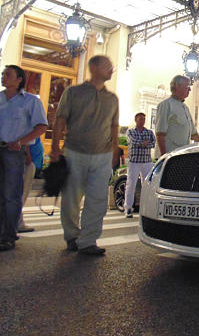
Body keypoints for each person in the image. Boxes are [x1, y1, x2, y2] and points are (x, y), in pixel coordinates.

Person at [51, 55, 119, 256]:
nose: (111, 69)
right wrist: (55, 147)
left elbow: (114, 125)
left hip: (102, 154)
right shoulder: (73, 92)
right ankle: (72, 236)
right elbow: (60, 119)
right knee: (71, 197)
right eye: (107, 66)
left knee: (97, 199)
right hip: (75, 151)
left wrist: (115, 149)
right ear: (93, 68)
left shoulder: (112, 98)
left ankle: (88, 241)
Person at [0, 65, 47, 251]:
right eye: (3, 74)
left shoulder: (30, 101)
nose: (4, 77)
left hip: (13, 151)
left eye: (8, 75)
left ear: (19, 79)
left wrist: (21, 142)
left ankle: (8, 235)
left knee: (11, 195)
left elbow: (41, 126)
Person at [155, 75, 199, 156]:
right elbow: (160, 134)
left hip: (182, 155)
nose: (189, 89)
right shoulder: (166, 105)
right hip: (170, 156)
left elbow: (194, 135)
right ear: (177, 86)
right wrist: (164, 157)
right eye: (187, 86)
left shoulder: (185, 108)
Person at [124, 112, 155, 218]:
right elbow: (132, 141)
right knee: (131, 184)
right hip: (134, 161)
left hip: (147, 161)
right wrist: (143, 143)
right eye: (140, 119)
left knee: (146, 185)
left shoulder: (149, 132)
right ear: (136, 120)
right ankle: (128, 208)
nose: (142, 121)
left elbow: (153, 143)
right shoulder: (131, 131)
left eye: (144, 119)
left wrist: (142, 143)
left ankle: (146, 208)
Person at [17, 137, 44, 233]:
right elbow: (26, 140)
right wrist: (28, 157)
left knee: (20, 194)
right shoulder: (30, 125)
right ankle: (17, 222)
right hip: (27, 162)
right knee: (21, 194)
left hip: (30, 161)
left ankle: (17, 221)